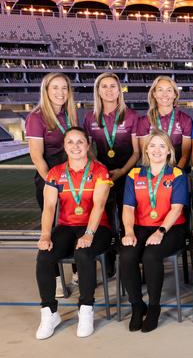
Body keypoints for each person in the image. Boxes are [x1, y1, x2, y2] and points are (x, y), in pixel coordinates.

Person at [35, 127, 113, 339]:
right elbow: (49, 207)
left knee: (83, 254)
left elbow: (99, 205)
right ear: (64, 146)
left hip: (97, 227)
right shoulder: (55, 173)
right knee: (45, 256)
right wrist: (45, 235)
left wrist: (88, 234)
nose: (76, 146)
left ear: (88, 145)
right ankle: (49, 312)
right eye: (71, 142)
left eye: (80, 142)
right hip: (67, 227)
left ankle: (85, 309)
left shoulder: (99, 170)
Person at [119, 130, 189, 333]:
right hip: (140, 227)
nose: (157, 150)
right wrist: (129, 231)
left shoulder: (177, 174)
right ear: (146, 150)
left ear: (169, 151)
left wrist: (160, 231)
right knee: (127, 255)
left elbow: (177, 209)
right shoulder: (134, 174)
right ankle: (136, 304)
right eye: (152, 146)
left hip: (171, 228)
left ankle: (154, 307)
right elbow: (128, 208)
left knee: (151, 256)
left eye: (162, 146)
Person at [26, 72, 81, 297]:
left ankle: (78, 270)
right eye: (55, 88)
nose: (60, 93)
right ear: (46, 91)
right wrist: (53, 183)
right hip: (51, 181)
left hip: (74, 179)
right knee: (53, 229)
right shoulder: (36, 118)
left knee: (77, 222)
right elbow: (37, 156)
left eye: (64, 88)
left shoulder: (69, 115)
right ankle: (57, 278)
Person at [83, 72, 140, 275]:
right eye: (104, 86)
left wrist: (122, 171)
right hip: (102, 175)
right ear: (98, 90)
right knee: (104, 217)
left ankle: (128, 262)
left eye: (113, 86)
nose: (108, 90)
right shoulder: (90, 117)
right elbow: (88, 149)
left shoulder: (131, 115)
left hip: (127, 173)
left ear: (119, 90)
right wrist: (101, 169)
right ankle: (107, 259)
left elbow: (137, 151)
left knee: (128, 219)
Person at [136, 75, 192, 169]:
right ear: (154, 93)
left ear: (175, 94)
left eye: (169, 90)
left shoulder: (185, 120)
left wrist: (176, 173)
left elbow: (185, 156)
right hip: (152, 172)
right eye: (160, 90)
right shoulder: (144, 121)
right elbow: (145, 154)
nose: (164, 94)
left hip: (178, 171)